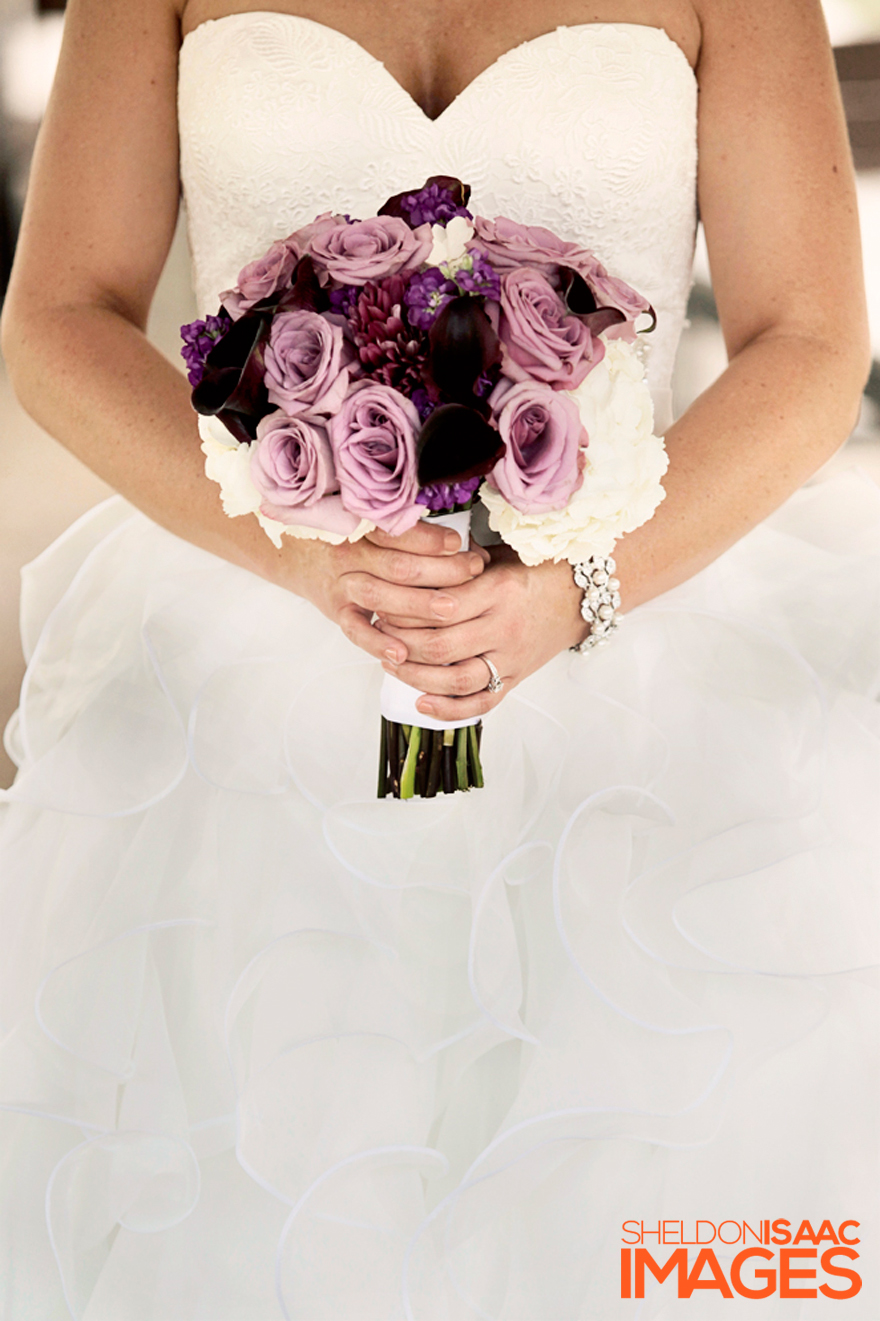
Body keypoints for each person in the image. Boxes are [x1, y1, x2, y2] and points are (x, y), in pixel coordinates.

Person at [0, 0, 877, 1315]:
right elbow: (60, 312)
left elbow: (811, 338)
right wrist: (298, 555)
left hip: (627, 631)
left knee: (634, 1215)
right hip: (244, 650)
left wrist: (574, 593)